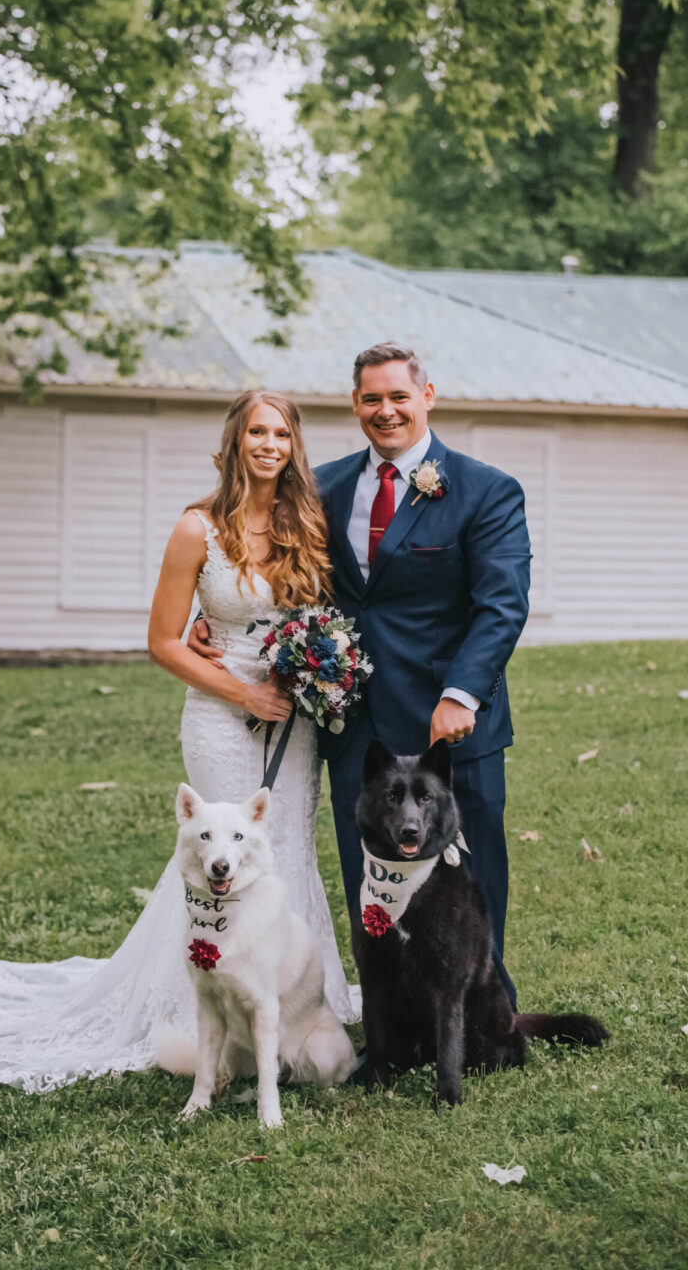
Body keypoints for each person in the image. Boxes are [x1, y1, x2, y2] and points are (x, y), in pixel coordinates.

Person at [0, 391, 357, 1092]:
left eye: (280, 433)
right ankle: (196, 1010)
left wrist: (309, 671)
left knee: (287, 850)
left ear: (293, 444)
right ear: (235, 442)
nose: (269, 444)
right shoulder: (197, 528)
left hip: (293, 722)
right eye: (256, 432)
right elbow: (160, 642)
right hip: (222, 714)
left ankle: (296, 1002)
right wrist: (242, 690)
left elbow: (325, 616)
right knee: (220, 851)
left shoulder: (306, 523)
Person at [192, 343, 530, 1005]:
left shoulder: (485, 490)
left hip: (447, 725)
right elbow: (279, 575)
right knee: (369, 881)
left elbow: (501, 604)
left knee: (470, 875)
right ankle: (389, 1027)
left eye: (398, 396)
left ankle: (486, 1017)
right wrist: (212, 617)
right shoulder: (323, 487)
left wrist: (462, 692)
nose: (385, 411)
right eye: (371, 398)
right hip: (359, 725)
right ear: (354, 404)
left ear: (425, 397)